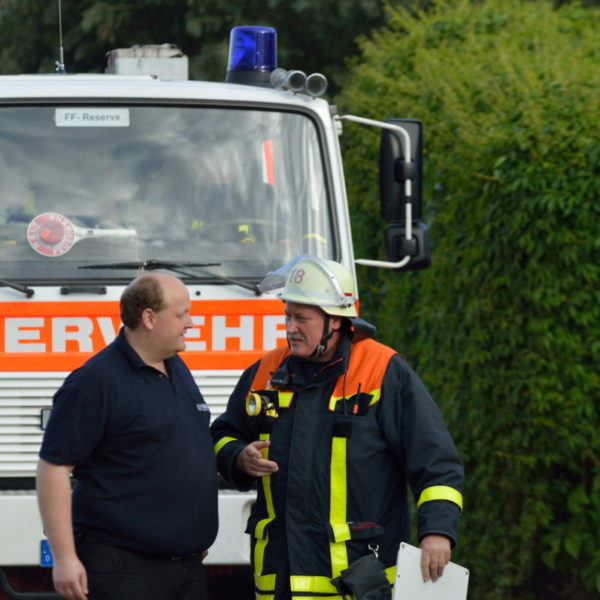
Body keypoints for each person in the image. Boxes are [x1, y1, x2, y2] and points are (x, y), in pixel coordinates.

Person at [211, 255, 464, 600]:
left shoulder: (382, 371)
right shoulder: (266, 372)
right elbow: (222, 434)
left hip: (356, 583)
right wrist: (238, 456)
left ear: (335, 321)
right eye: (287, 315)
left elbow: (436, 462)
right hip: (279, 581)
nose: (290, 327)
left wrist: (437, 532)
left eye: (302, 318)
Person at [36, 273, 218, 600]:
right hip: (123, 571)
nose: (191, 323)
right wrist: (64, 558)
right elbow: (53, 469)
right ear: (149, 317)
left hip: (186, 569)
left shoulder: (176, 367)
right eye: (181, 314)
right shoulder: (94, 382)